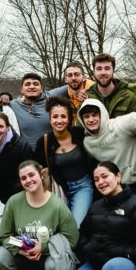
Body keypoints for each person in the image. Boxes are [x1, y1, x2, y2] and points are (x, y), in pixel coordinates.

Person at [0, 160, 79, 270]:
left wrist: (43, 247)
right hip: (23, 255)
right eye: (23, 178)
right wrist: (20, 248)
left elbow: (72, 239)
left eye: (32, 175)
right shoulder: (14, 202)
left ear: (41, 175)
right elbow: (5, 235)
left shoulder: (57, 205)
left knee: (53, 267)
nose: (28, 180)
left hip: (49, 256)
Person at [77, 97, 136, 201]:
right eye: (86, 117)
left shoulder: (120, 124)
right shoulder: (87, 143)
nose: (91, 120)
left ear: (102, 115)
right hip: (118, 186)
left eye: (95, 115)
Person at [35, 96, 93, 227]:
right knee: (58, 226)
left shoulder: (79, 134)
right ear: (50, 120)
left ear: (69, 119)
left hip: (82, 187)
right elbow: (38, 168)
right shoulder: (44, 142)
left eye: (63, 116)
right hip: (59, 189)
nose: (59, 121)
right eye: (55, 117)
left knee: (76, 226)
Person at [9, 73, 68, 149]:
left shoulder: (50, 97)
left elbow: (72, 84)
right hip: (27, 154)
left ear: (41, 89)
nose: (32, 87)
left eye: (36, 84)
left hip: (51, 152)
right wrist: (5, 95)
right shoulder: (13, 105)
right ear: (21, 90)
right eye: (27, 84)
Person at [87, 53, 136, 118]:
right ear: (94, 72)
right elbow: (81, 126)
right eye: (99, 69)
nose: (103, 73)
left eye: (107, 68)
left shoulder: (129, 97)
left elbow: (135, 126)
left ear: (113, 71)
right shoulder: (87, 98)